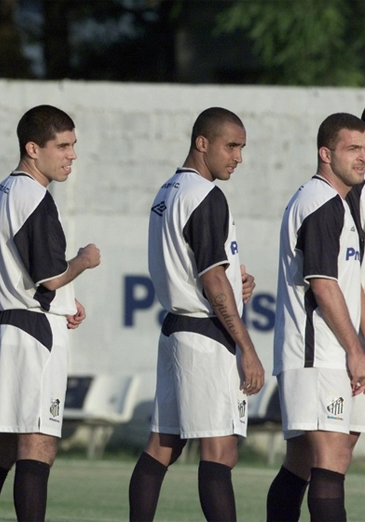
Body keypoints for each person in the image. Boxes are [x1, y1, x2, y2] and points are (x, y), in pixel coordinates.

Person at [128, 107, 265, 522]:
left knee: (163, 444)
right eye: (231, 146)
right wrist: (247, 346)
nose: (238, 157)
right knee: (220, 451)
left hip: (175, 329)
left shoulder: (168, 190)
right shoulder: (206, 195)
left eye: (242, 147)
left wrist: (233, 288)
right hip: (205, 337)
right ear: (201, 143)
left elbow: (204, 271)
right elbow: (211, 280)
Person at [0, 104, 101, 522]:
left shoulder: (3, 191)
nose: (71, 155)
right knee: (39, 442)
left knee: (1, 447)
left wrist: (65, 302)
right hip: (33, 333)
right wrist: (82, 261)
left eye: (73, 145)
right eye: (62, 146)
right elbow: (48, 277)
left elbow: (32, 275)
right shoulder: (34, 196)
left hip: (5, 325)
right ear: (32, 148)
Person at [266, 112, 365, 522]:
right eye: (353, 149)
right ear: (326, 153)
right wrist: (354, 349)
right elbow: (323, 285)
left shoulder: (340, 204)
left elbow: (351, 282)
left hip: (332, 353)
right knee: (328, 461)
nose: (363, 158)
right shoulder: (320, 202)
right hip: (317, 353)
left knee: (307, 462)